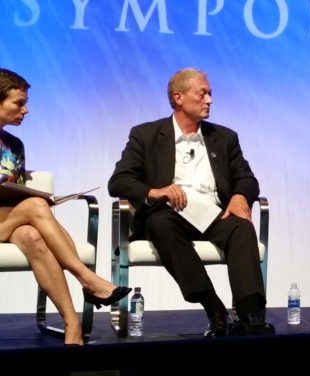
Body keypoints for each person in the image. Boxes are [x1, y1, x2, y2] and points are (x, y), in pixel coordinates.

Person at [0, 68, 130, 346]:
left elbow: (16, 193)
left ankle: (71, 324)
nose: (25, 110)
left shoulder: (14, 146)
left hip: (6, 221)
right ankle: (87, 278)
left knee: (32, 236)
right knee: (37, 205)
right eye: (18, 103)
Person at [108, 68, 273, 336]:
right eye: (203, 94)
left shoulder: (224, 137)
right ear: (179, 97)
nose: (209, 100)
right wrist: (156, 192)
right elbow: (119, 181)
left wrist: (241, 196)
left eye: (210, 94)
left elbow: (246, 178)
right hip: (169, 214)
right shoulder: (146, 134)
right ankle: (214, 308)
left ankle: (250, 314)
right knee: (160, 224)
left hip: (212, 213)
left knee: (241, 227)